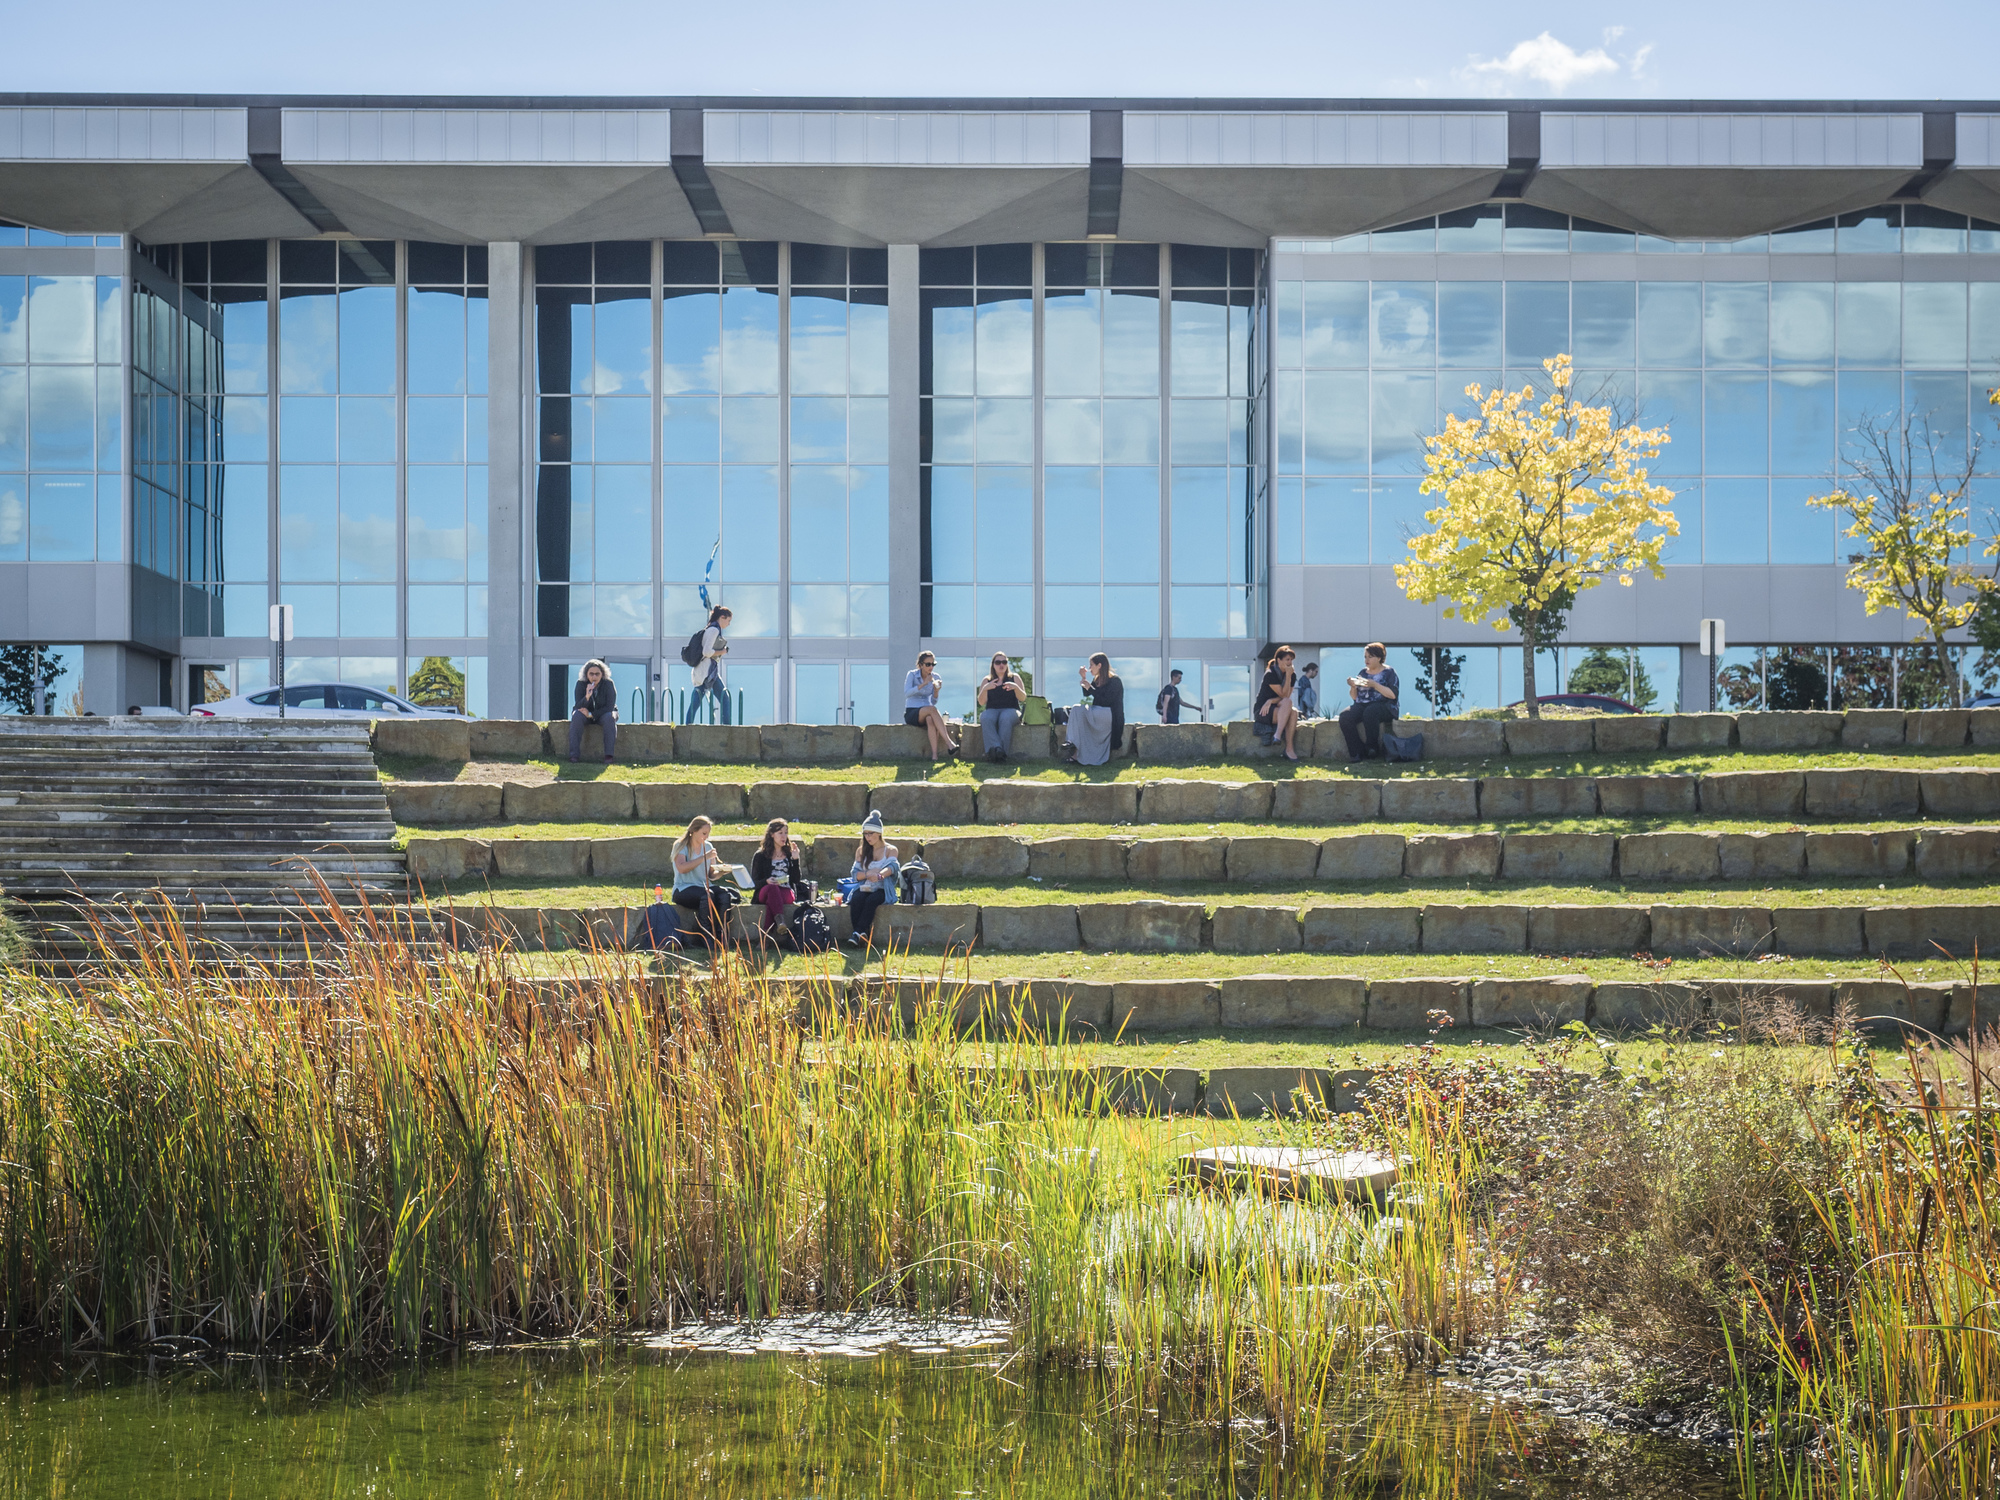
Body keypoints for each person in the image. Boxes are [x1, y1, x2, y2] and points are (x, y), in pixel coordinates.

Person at [671, 815, 731, 948]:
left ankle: (723, 936)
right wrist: (704, 857)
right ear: (693, 830)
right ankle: (706, 936)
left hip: (704, 885)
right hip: (683, 889)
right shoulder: (681, 846)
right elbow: (682, 868)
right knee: (707, 894)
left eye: (708, 833)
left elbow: (711, 874)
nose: (707, 837)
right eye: (704, 833)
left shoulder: (708, 846)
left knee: (725, 894)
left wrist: (721, 871)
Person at [844, 810, 900, 949]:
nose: (868, 837)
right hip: (865, 886)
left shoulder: (891, 850)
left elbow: (892, 868)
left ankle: (857, 934)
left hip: (882, 888)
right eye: (865, 833)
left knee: (871, 900)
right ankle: (861, 934)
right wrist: (869, 874)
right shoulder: (861, 850)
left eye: (871, 833)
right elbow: (855, 875)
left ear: (879, 833)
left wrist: (879, 875)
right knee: (857, 899)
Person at [1338, 643, 1401, 762]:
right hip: (1362, 704)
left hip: (1385, 706)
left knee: (1370, 712)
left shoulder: (1389, 672)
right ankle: (1356, 752)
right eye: (1365, 657)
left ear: (1379, 658)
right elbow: (1355, 698)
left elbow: (1392, 695)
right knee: (1345, 716)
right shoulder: (1363, 673)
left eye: (1370, 657)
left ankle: (1372, 748)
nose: (1367, 660)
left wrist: (1375, 685)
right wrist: (1353, 686)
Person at [749, 817, 809, 940]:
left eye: (786, 833)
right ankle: (780, 921)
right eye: (780, 833)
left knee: (774, 898)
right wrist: (766, 881)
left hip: (786, 891)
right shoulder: (760, 855)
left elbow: (796, 880)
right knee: (772, 889)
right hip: (766, 890)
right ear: (771, 835)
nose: (784, 836)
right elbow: (754, 882)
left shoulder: (788, 853)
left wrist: (796, 859)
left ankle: (765, 938)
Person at [1061, 653, 1125, 766]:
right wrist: (1083, 678)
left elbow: (1106, 700)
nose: (1089, 668)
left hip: (1110, 714)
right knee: (1076, 710)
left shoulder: (1115, 681)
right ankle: (1072, 745)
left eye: (1091, 665)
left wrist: (1090, 688)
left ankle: (1071, 743)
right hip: (1098, 712)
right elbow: (1087, 694)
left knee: (1077, 710)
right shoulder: (1098, 679)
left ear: (1099, 665)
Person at [903, 650, 959, 759]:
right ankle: (949, 743)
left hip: (927, 711)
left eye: (933, 664)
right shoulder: (912, 675)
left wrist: (936, 690)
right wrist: (924, 684)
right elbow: (907, 693)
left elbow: (933, 701)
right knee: (932, 710)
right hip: (912, 712)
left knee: (930, 719)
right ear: (921, 665)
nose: (931, 667)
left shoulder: (936, 677)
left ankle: (934, 755)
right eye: (928, 664)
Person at [1255, 645, 1302, 761]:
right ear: (1279, 660)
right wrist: (1287, 676)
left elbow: (1286, 696)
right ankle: (1281, 739)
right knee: (1290, 709)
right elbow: (1283, 695)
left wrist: (1271, 700)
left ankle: (1287, 746)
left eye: (1291, 660)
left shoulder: (1292, 675)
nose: (1290, 662)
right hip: (1263, 710)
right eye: (1287, 659)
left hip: (1279, 706)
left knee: (1294, 712)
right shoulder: (1270, 674)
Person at [975, 652, 1024, 762]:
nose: (1001, 665)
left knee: (1005, 718)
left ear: (1007, 664)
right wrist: (985, 688)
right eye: (998, 662)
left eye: (1004, 662)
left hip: (1012, 710)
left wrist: (1016, 687)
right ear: (993, 665)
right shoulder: (987, 680)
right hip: (992, 710)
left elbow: (1023, 698)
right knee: (985, 717)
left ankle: (997, 753)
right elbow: (981, 702)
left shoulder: (1014, 678)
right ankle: (998, 750)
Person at [688, 605, 733, 724]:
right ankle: (727, 727)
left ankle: (687, 725)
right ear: (722, 617)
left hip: (705, 671)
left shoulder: (711, 628)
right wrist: (722, 652)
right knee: (725, 698)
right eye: (728, 620)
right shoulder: (714, 630)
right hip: (707, 672)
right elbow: (706, 652)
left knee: (696, 700)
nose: (729, 624)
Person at [567, 658, 617, 763]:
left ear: (602, 674)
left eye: (597, 674)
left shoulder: (608, 684)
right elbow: (578, 706)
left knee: (609, 717)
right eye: (591, 674)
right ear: (586, 674)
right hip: (585, 714)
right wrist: (587, 697)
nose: (594, 677)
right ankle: (574, 755)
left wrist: (591, 714)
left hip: (603, 714)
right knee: (576, 716)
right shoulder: (581, 684)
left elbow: (609, 706)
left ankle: (609, 756)